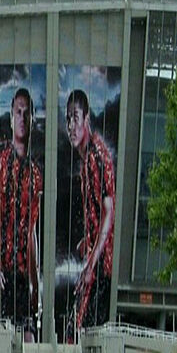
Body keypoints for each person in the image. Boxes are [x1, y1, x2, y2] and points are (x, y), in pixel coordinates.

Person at [0, 88, 43, 339]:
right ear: (11, 118)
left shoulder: (35, 174)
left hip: (20, 277)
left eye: (26, 113)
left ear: (32, 119)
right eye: (18, 112)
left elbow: (31, 231)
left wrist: (35, 282)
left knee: (27, 338)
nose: (22, 117)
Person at [65, 89, 115, 335]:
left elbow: (109, 212)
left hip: (102, 266)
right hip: (97, 261)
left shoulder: (96, 156)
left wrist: (91, 262)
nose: (70, 126)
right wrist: (89, 239)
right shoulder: (85, 161)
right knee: (81, 325)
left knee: (84, 327)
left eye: (75, 117)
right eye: (67, 119)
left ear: (86, 119)